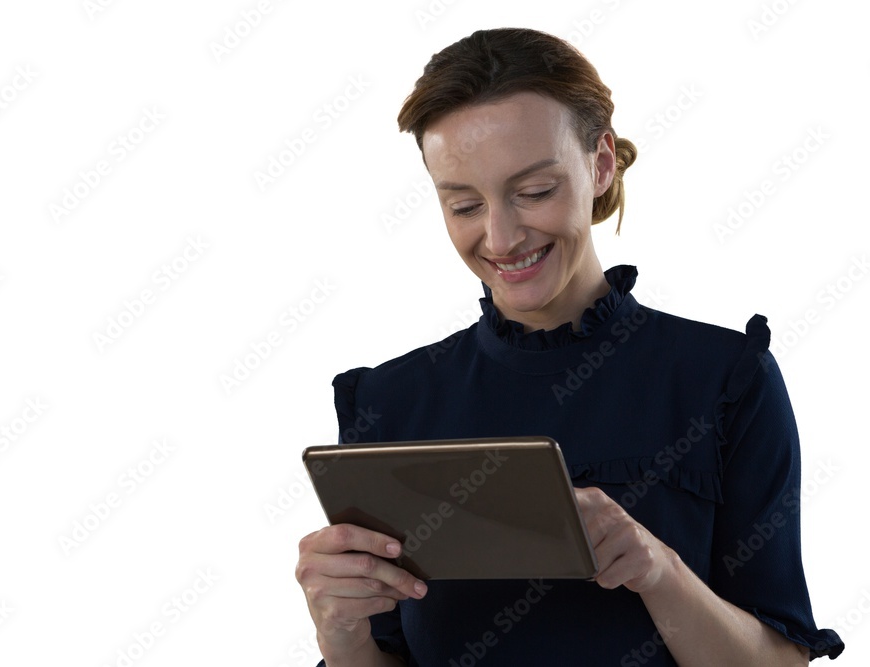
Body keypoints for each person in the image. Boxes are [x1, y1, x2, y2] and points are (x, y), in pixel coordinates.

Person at [295, 27, 844, 666]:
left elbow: (780, 662)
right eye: (464, 205)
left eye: (534, 192)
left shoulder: (724, 381)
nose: (501, 238)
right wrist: (342, 639)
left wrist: (659, 571)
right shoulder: (389, 404)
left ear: (600, 164)